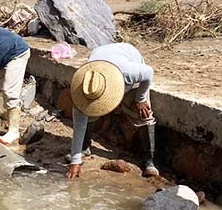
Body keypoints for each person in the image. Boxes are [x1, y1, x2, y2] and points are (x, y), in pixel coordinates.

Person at [66, 42, 158, 180]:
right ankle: (84, 148)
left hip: (127, 57)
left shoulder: (128, 72)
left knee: (142, 114)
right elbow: (79, 126)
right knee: (89, 114)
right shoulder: (84, 89)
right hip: (100, 56)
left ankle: (149, 160)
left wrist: (140, 99)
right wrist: (75, 161)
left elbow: (148, 72)